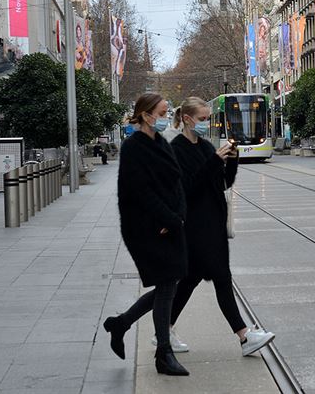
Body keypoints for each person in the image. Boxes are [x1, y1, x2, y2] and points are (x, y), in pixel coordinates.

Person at [168, 97, 275, 356]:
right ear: (187, 119)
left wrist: (233, 161)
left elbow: (223, 183)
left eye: (207, 119)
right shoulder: (176, 149)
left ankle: (163, 329)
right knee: (222, 278)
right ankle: (244, 336)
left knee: (189, 280)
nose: (206, 124)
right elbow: (187, 189)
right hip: (196, 225)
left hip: (214, 222)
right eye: (202, 119)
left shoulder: (206, 147)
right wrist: (215, 161)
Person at [102, 93, 190, 376]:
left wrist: (178, 215)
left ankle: (121, 324)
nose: (166, 117)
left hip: (170, 223)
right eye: (162, 113)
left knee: (170, 284)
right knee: (166, 284)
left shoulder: (161, 142)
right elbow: (140, 191)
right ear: (145, 114)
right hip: (145, 228)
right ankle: (163, 353)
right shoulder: (133, 147)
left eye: (167, 112)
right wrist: (168, 218)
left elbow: (176, 181)